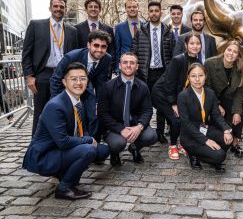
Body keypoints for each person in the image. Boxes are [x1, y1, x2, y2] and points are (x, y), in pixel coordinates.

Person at [22, 62, 110, 200]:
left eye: (83, 78)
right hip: (44, 156)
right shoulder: (56, 106)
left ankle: (65, 173)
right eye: (73, 79)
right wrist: (88, 140)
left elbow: (82, 129)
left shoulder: (78, 102)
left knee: (102, 150)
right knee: (89, 150)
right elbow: (63, 141)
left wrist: (88, 139)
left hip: (59, 149)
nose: (79, 83)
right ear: (64, 82)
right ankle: (64, 188)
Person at [22, 0, 78, 135]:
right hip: (43, 75)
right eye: (56, 6)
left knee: (65, 111)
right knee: (41, 112)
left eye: (61, 7)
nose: (58, 9)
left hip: (65, 76)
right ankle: (37, 146)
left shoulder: (72, 31)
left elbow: (75, 56)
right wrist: (29, 76)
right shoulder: (36, 25)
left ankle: (61, 143)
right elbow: (26, 53)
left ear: (65, 9)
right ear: (50, 8)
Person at [49, 30, 112, 141]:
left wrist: (99, 103)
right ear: (88, 45)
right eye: (96, 45)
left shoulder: (106, 59)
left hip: (87, 89)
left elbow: (101, 83)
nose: (99, 49)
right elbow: (55, 79)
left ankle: (92, 143)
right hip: (67, 91)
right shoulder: (72, 57)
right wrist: (57, 101)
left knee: (93, 116)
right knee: (69, 118)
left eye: (103, 47)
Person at [98, 52, 157, 166]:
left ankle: (134, 148)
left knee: (151, 136)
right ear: (120, 65)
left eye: (132, 63)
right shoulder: (108, 86)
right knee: (118, 143)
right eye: (125, 62)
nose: (128, 65)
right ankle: (114, 153)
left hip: (134, 124)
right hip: (114, 127)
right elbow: (102, 113)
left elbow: (147, 110)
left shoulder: (143, 87)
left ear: (137, 66)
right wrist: (120, 129)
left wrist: (139, 127)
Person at [131, 1, 175, 144]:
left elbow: (173, 53)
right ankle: (145, 129)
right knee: (145, 104)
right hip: (146, 73)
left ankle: (160, 132)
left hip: (163, 73)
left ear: (161, 13)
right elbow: (134, 52)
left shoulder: (168, 31)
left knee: (162, 104)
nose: (154, 13)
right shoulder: (141, 31)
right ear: (148, 13)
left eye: (157, 10)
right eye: (151, 11)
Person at [151, 33, 201, 160]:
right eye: (192, 43)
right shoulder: (178, 60)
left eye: (198, 43)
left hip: (176, 94)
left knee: (182, 119)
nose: (195, 46)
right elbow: (169, 82)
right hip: (162, 94)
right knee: (176, 120)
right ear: (186, 45)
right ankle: (173, 145)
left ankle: (179, 145)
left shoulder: (198, 62)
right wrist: (174, 103)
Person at [178, 63, 233, 172]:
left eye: (200, 75)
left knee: (228, 138)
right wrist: (206, 141)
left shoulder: (210, 93)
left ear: (205, 76)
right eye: (193, 76)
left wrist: (226, 129)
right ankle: (192, 154)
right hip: (190, 136)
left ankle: (209, 154)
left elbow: (216, 115)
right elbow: (186, 123)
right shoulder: (183, 96)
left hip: (204, 129)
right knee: (220, 156)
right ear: (188, 77)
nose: (197, 79)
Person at [204, 41, 243, 158]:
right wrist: (216, 104)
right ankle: (219, 136)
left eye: (235, 52)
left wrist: (237, 112)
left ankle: (235, 142)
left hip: (229, 96)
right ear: (224, 50)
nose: (231, 54)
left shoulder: (240, 67)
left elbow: (239, 91)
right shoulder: (210, 63)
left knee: (238, 109)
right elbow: (206, 87)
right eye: (229, 50)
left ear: (238, 56)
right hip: (212, 96)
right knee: (219, 114)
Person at [75, 0, 115, 76]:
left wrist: (110, 67)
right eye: (90, 7)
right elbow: (76, 48)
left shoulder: (108, 29)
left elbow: (111, 49)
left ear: (100, 10)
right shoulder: (77, 28)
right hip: (83, 69)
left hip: (103, 69)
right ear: (86, 9)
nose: (93, 9)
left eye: (96, 7)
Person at [115, 0, 141, 73]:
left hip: (142, 66)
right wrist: (117, 68)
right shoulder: (119, 27)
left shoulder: (145, 26)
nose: (132, 9)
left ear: (138, 8)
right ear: (125, 9)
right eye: (129, 7)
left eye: (134, 7)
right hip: (126, 66)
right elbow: (117, 49)